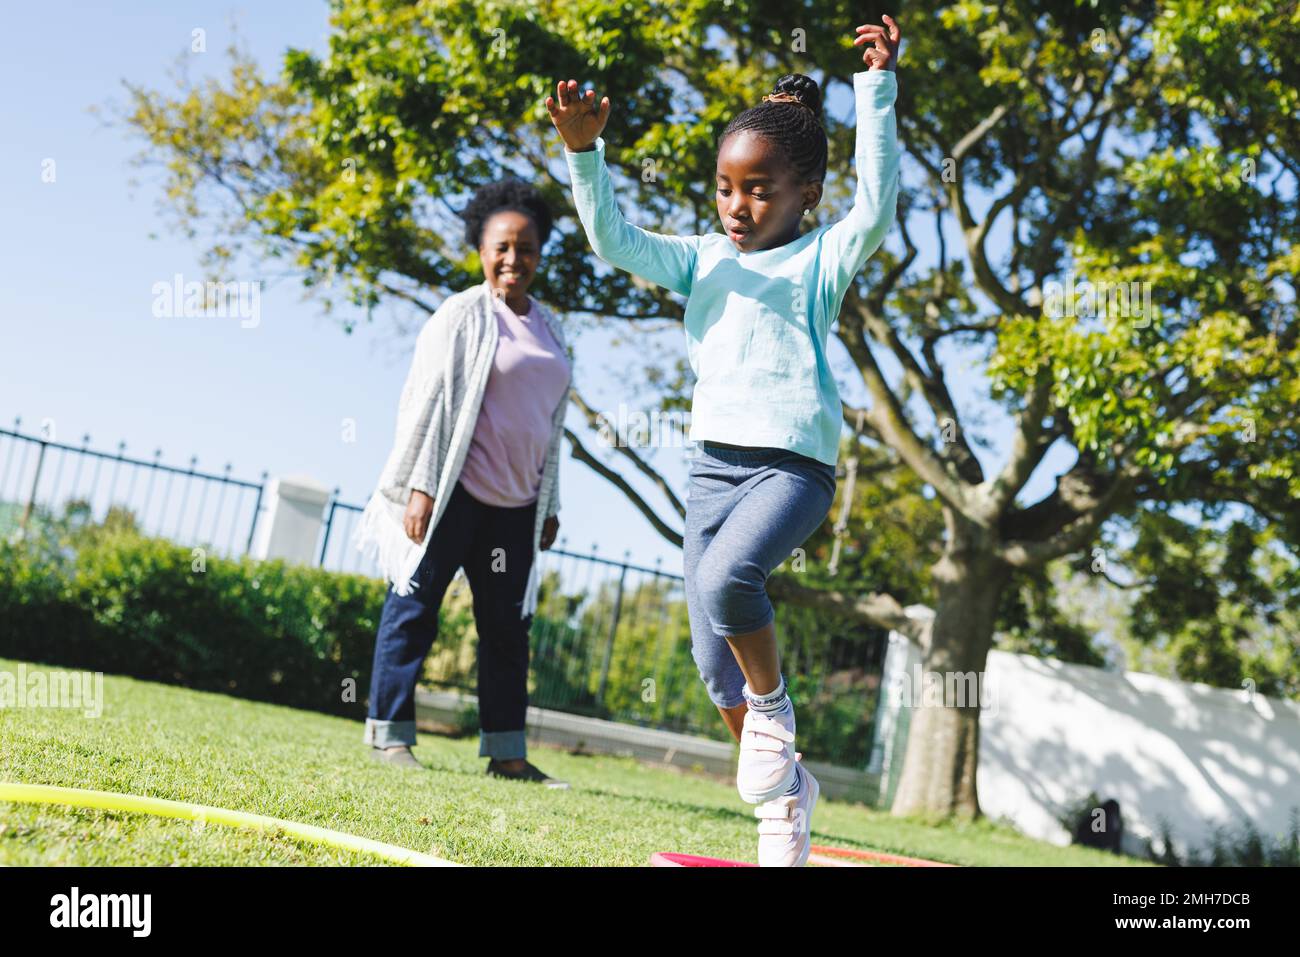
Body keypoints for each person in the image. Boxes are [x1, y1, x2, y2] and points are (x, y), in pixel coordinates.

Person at [547, 16, 902, 862]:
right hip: (713, 469)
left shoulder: (824, 256)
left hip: (793, 466)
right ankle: (788, 799)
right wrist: (585, 155)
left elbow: (879, 198)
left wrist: (876, 90)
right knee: (714, 661)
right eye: (724, 188)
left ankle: (774, 712)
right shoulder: (703, 257)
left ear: (805, 194)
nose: (737, 207)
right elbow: (612, 240)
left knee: (729, 576)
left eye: (759, 190)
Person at [353, 179, 573, 788]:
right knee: (413, 609)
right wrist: (423, 485)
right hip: (454, 496)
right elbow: (427, 405)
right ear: (480, 249)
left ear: (539, 253)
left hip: (516, 509)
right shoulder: (461, 315)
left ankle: (507, 754)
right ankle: (390, 736)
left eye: (525, 248)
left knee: (507, 633)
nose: (513, 259)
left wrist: (550, 505)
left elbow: (551, 429)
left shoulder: (552, 330)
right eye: (501, 246)